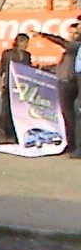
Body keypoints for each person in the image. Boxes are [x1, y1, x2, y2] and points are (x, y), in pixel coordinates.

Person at [30, 25, 80, 155]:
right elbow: (61, 67)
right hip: (66, 80)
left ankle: (73, 145)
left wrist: (42, 34)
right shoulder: (71, 50)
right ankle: (71, 144)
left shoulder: (74, 47)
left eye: (75, 33)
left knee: (70, 115)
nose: (71, 35)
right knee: (69, 115)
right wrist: (45, 68)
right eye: (71, 33)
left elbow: (60, 41)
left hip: (68, 83)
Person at [0, 33, 33, 141]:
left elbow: (29, 69)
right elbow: (1, 70)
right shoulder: (7, 54)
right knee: (6, 110)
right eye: (24, 42)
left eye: (27, 42)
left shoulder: (27, 55)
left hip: (22, 87)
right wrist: (0, 84)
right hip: (9, 84)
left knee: (20, 110)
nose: (26, 45)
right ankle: (6, 133)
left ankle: (17, 133)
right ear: (18, 42)